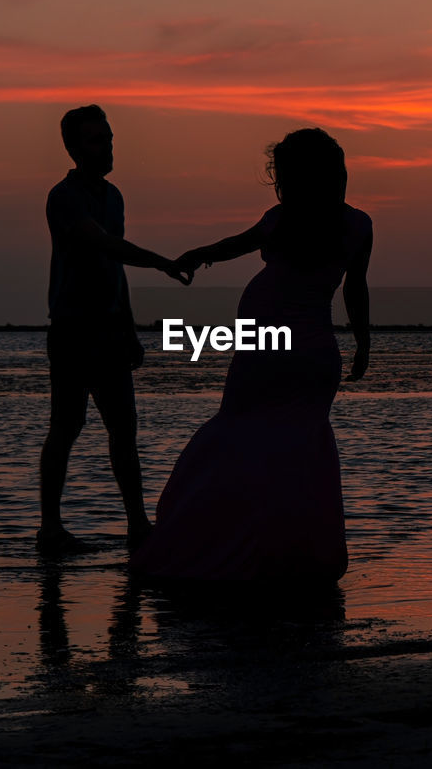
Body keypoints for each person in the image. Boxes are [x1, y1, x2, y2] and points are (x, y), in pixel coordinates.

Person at [129, 127, 372, 583]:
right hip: (315, 352)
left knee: (241, 440)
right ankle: (290, 555)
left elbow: (232, 246)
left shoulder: (281, 219)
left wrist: (195, 255)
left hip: (266, 345)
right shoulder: (358, 225)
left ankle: (224, 550)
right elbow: (355, 290)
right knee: (297, 453)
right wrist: (363, 341)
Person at [38, 104, 192, 557]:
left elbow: (114, 267)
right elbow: (105, 245)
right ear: (72, 147)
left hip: (108, 330)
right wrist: (164, 263)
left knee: (124, 429)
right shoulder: (63, 197)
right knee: (66, 427)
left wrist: (129, 329)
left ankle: (138, 525)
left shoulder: (114, 196)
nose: (105, 147)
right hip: (71, 329)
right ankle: (50, 527)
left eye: (108, 138)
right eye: (95, 140)